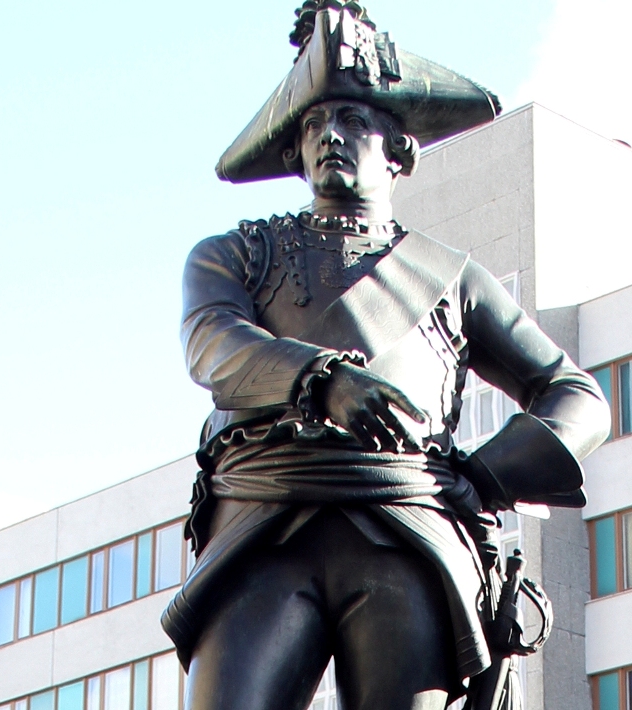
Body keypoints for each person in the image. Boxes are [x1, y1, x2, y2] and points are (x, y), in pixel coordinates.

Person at [161, 4, 610, 710]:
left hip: (407, 535)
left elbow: (574, 392)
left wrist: (485, 478)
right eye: (313, 124)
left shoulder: (454, 278)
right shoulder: (236, 254)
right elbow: (211, 343)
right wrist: (321, 380)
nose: (329, 137)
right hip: (264, 525)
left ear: (400, 150)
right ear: (293, 150)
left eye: (352, 121)